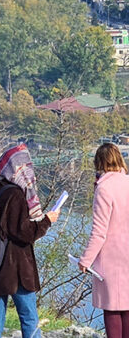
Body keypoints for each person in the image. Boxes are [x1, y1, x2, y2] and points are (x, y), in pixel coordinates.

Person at [0, 144, 60, 338]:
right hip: (16, 268)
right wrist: (47, 221)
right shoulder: (16, 195)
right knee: (29, 317)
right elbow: (24, 232)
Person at [78, 143, 129, 338]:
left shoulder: (104, 188)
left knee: (112, 308)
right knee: (126, 306)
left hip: (112, 258)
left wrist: (85, 260)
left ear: (99, 163)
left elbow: (100, 231)